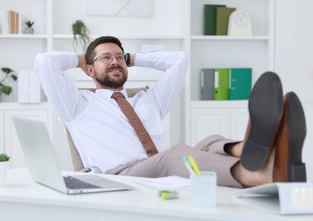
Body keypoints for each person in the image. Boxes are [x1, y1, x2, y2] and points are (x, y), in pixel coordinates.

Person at [35, 35, 307, 188]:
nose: (115, 61)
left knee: (209, 142)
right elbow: (44, 62)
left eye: (120, 57)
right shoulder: (77, 105)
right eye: (106, 58)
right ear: (90, 70)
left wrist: (133, 57)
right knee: (174, 154)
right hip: (118, 177)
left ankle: (252, 149)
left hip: (159, 170)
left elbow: (180, 61)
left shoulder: (147, 100)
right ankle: (258, 174)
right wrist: (83, 58)